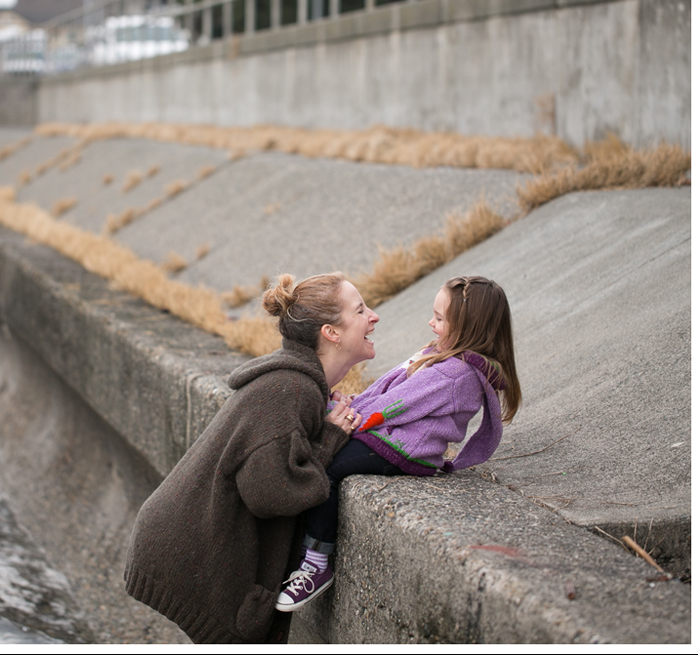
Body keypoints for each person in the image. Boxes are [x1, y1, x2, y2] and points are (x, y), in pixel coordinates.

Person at [124, 272, 379, 643]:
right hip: (187, 551)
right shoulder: (292, 388)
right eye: (360, 310)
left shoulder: (298, 383)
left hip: (178, 536)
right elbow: (270, 491)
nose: (374, 316)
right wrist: (330, 439)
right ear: (332, 333)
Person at [276, 275, 521, 612]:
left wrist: (351, 415)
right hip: (393, 438)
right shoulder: (442, 357)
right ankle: (302, 551)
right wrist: (351, 402)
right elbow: (386, 391)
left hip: (403, 450)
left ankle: (317, 563)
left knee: (328, 469)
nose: (430, 323)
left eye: (439, 318)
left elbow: (396, 406)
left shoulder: (454, 374)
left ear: (467, 326)